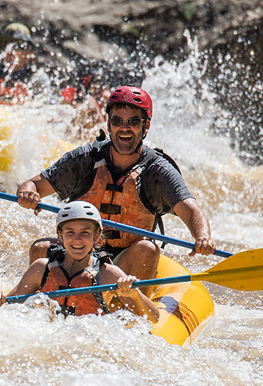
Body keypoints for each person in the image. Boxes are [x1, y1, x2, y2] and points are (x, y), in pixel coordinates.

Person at [15, 85, 216, 286]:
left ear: (146, 126)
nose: (124, 128)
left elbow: (190, 209)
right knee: (41, 247)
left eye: (134, 122)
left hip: (126, 261)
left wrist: (202, 237)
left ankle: (136, 310)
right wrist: (28, 193)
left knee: (147, 249)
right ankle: (41, 303)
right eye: (117, 121)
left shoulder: (158, 171)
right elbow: (33, 185)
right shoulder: (83, 160)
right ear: (109, 124)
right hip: (79, 251)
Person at [0, 201, 160, 322]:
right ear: (60, 237)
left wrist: (134, 295)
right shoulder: (41, 268)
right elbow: (11, 306)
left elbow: (154, 318)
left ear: (97, 237)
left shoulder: (107, 273)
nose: (77, 239)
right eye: (70, 232)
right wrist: (0, 301)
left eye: (85, 232)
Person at [0, 23, 50, 105]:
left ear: (30, 54)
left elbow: (42, 111)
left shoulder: (37, 78)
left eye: (17, 47)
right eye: (6, 45)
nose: (10, 52)